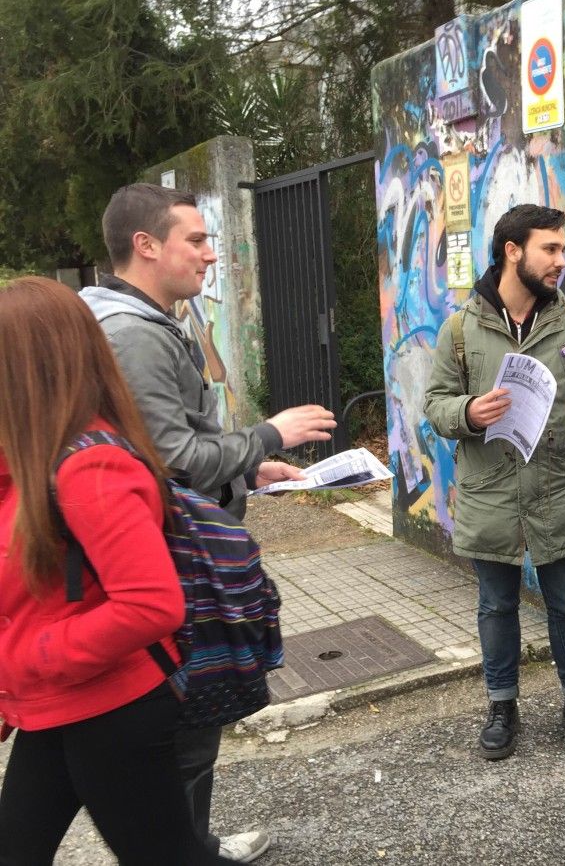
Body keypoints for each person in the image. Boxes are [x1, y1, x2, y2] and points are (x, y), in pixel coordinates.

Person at [80, 183, 337, 863]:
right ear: (146, 246)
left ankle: (190, 844)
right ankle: (184, 850)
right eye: (195, 240)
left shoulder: (143, 317)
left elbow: (164, 449)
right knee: (184, 729)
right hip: (169, 563)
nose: (210, 254)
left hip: (167, 551)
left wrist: (246, 472)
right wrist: (267, 437)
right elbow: (176, 462)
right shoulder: (132, 333)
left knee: (182, 727)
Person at [0, 277, 235, 865]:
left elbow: (151, 605)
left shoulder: (90, 468)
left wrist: (31, 659)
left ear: (27, 367)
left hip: (113, 711)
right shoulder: (24, 464)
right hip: (56, 705)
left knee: (169, 856)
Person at [423, 204, 565, 761]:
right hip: (490, 491)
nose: (561, 260)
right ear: (513, 251)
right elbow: (435, 406)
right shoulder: (461, 330)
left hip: (554, 487)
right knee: (496, 605)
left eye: (563, 249)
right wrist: (470, 412)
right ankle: (501, 706)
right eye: (551, 249)